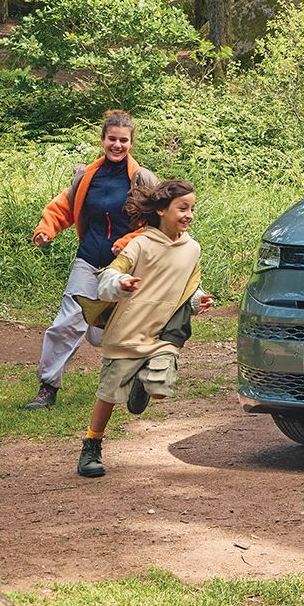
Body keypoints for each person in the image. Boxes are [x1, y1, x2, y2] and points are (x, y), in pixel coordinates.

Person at [75, 179, 212, 478]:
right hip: (128, 331)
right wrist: (120, 284)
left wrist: (199, 301)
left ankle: (143, 382)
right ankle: (91, 445)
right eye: (182, 208)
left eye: (192, 208)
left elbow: (192, 287)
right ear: (162, 210)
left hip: (163, 333)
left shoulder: (192, 249)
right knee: (108, 395)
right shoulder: (140, 244)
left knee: (161, 389)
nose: (189, 214)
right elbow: (109, 275)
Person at [24, 111, 158, 409]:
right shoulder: (87, 176)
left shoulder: (142, 178)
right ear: (103, 140)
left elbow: (155, 224)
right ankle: (48, 386)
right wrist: (46, 230)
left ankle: (139, 374)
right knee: (67, 322)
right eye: (112, 139)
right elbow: (64, 207)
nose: (117, 145)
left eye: (124, 140)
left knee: (106, 333)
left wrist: (126, 243)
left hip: (126, 265)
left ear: (131, 143)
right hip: (88, 259)